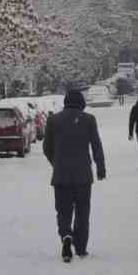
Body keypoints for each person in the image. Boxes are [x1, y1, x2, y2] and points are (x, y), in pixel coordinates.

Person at [42, 89, 106, 263]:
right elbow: (96, 146)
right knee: (82, 212)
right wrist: (100, 167)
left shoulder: (53, 120)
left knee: (63, 211)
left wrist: (56, 163)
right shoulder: (89, 120)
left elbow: (47, 147)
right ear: (81, 103)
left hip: (61, 176)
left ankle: (66, 235)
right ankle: (81, 247)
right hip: (83, 176)